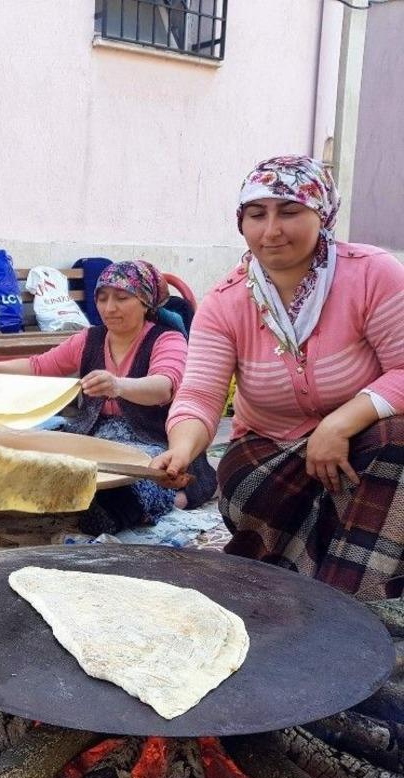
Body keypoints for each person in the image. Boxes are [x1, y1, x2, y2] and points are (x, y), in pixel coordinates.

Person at [154, 156, 404, 600]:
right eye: (256, 214)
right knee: (247, 487)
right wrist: (180, 451)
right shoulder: (226, 301)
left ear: (322, 214)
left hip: (361, 445)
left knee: (395, 442)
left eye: (289, 212)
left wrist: (337, 425)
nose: (271, 231)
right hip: (269, 453)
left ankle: (346, 599)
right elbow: (200, 393)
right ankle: (330, 572)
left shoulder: (372, 274)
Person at [0, 261, 216, 534]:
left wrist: (118, 386)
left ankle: (153, 500)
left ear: (145, 302)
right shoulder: (89, 339)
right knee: (32, 459)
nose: (109, 308)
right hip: (95, 434)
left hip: (151, 441)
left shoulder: (167, 339)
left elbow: (164, 386)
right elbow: (40, 365)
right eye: (102, 298)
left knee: (125, 490)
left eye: (121, 298)